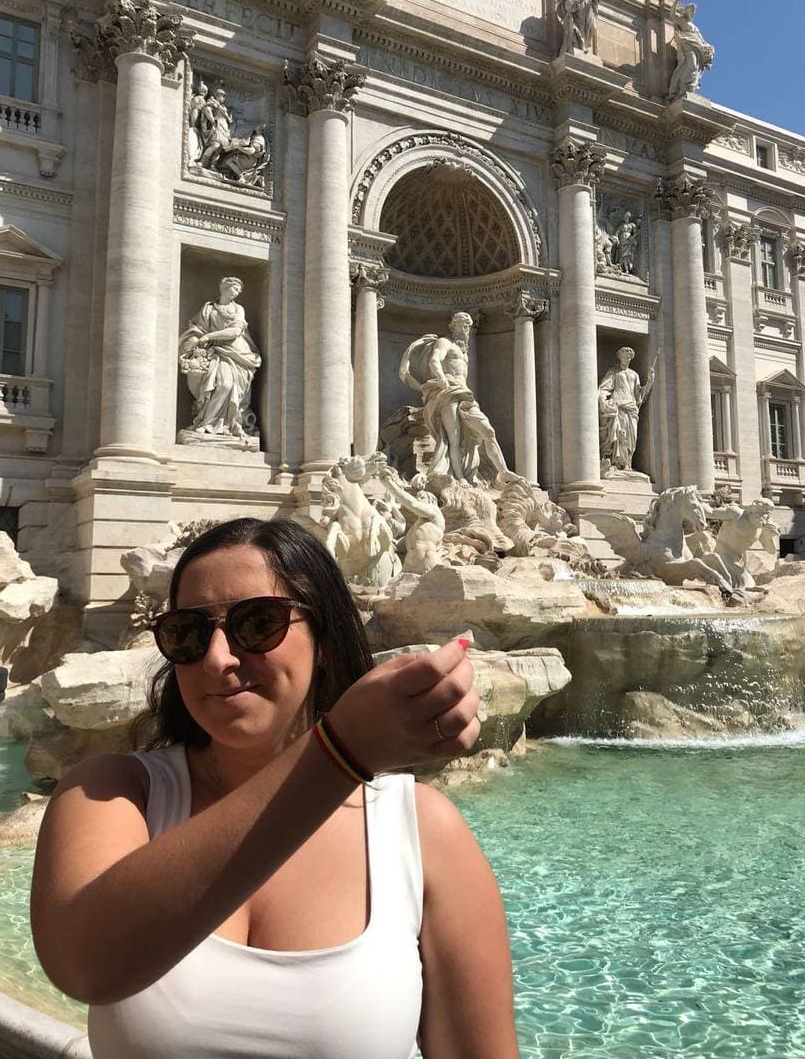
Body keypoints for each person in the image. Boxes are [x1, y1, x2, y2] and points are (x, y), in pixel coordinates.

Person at [31, 517, 519, 1058]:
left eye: (258, 623)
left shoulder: (424, 830)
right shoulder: (113, 794)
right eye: (187, 633)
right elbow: (85, 965)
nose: (218, 659)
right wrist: (342, 753)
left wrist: (343, 753)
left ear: (327, 640)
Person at [399, 312, 519, 487]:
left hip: (465, 394)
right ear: (453, 326)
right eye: (462, 325)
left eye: (468, 327)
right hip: (448, 392)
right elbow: (434, 360)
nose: (465, 330)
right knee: (454, 438)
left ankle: (503, 471)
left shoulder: (465, 354)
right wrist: (442, 379)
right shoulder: (445, 342)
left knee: (488, 431)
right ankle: (460, 477)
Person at [178, 276, 262, 444]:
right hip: (216, 352)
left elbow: (235, 332)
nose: (237, 292)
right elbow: (197, 329)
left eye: (239, 290)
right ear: (224, 287)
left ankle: (221, 425)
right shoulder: (209, 308)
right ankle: (207, 424)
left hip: (238, 353)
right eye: (235, 288)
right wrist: (194, 342)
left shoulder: (239, 309)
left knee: (227, 385)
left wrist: (209, 336)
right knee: (222, 385)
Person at [597, 346, 655, 474]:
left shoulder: (634, 375)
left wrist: (650, 382)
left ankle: (627, 463)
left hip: (631, 408)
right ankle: (616, 463)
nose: (626, 358)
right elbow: (605, 387)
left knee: (631, 437)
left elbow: (639, 394)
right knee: (619, 434)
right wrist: (602, 397)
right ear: (620, 357)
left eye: (628, 357)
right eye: (624, 356)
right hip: (619, 406)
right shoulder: (614, 372)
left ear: (631, 358)